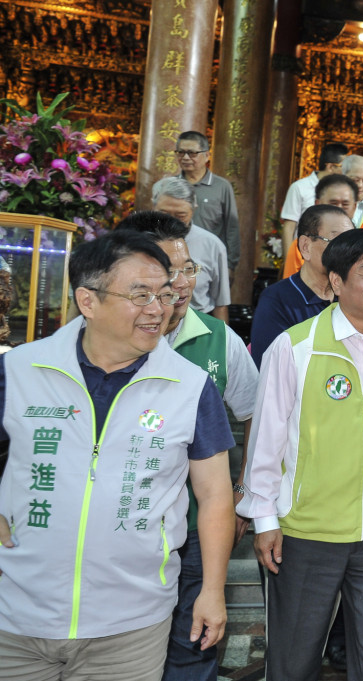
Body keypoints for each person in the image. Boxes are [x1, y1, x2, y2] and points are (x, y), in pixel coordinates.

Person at [0, 230, 235, 680]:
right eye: (140, 294)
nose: (157, 309)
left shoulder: (190, 387)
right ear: (87, 301)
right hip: (17, 618)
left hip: (131, 625)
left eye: (164, 294)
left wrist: (212, 590)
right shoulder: (20, 369)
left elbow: (215, 496)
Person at [239, 229, 363, 681]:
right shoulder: (295, 347)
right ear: (336, 282)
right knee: (295, 656)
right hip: (307, 531)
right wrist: (265, 519)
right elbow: (266, 441)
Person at [117, 211, 259, 681]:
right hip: (126, 523)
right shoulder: (104, 341)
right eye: (167, 271)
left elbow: (255, 415)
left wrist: (243, 493)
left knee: (192, 647)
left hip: (200, 526)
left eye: (188, 269)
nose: (181, 283)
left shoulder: (220, 340)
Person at [249, 204, 354, 368]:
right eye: (336, 241)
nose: (346, 251)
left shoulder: (352, 298)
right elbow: (270, 369)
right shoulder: (277, 300)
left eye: (350, 242)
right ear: (306, 246)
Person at [152, 177, 231, 323]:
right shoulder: (135, 242)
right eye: (164, 214)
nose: (171, 222)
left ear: (193, 210)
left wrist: (222, 340)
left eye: (181, 216)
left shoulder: (212, 245)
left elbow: (221, 304)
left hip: (196, 327)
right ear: (153, 207)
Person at [175, 131, 240, 272]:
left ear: (207, 155)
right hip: (175, 261)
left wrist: (230, 265)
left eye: (192, 153)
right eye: (181, 152)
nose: (185, 158)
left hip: (210, 262)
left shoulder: (221, 186)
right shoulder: (171, 186)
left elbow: (232, 227)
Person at [281, 174, 360, 279]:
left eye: (345, 204)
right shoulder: (304, 245)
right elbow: (291, 288)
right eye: (333, 203)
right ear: (317, 204)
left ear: (354, 207)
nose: (339, 210)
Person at [279, 141, 349, 258]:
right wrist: (288, 261)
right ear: (331, 167)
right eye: (343, 167)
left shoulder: (342, 191)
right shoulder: (299, 187)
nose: (345, 172)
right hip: (302, 256)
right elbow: (289, 227)